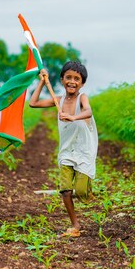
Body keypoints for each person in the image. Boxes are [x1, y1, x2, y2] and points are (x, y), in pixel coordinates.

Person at [29, 61, 98, 237]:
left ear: (82, 83)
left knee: (81, 192)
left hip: (84, 151)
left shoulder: (82, 98)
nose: (72, 82)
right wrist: (42, 82)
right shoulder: (57, 100)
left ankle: (87, 191)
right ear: (62, 80)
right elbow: (33, 103)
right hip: (66, 151)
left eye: (77, 79)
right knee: (65, 190)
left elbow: (88, 111)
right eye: (68, 77)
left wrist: (73, 117)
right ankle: (75, 225)